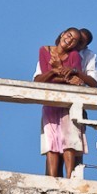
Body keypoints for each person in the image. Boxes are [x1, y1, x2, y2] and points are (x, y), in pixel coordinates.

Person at [34, 28, 88, 178]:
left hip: (69, 103)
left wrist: (61, 72)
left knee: (69, 140)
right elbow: (45, 77)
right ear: (62, 34)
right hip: (50, 102)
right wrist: (58, 72)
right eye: (69, 35)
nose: (69, 40)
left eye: (74, 40)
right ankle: (52, 178)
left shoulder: (74, 55)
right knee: (51, 141)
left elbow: (76, 77)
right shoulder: (44, 50)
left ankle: (70, 177)